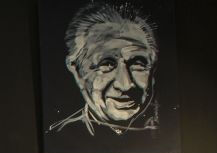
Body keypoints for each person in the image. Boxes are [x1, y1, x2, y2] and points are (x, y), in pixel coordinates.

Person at [49, 2, 160, 137]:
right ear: (77, 71)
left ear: (153, 69)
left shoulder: (165, 135)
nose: (125, 84)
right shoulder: (60, 136)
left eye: (138, 65)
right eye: (106, 65)